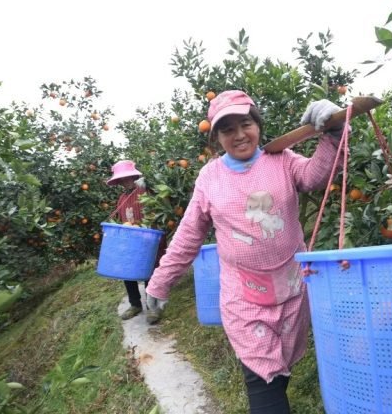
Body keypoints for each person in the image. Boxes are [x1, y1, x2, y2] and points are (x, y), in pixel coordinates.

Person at [145, 90, 344, 413]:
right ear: (216, 138)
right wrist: (161, 281)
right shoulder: (210, 178)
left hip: (292, 288)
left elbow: (315, 177)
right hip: (244, 298)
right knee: (262, 379)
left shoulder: (282, 160)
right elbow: (188, 235)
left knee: (280, 368)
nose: (239, 135)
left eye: (246, 124)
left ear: (258, 125)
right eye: (228, 129)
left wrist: (334, 132)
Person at [106, 160, 167, 321]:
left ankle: (152, 307)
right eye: (122, 179)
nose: (126, 181)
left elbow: (158, 211)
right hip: (131, 242)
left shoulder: (146, 191)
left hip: (149, 239)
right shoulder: (122, 199)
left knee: (149, 272)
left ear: (134, 177)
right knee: (127, 271)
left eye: (128, 178)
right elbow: (123, 221)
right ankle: (135, 304)